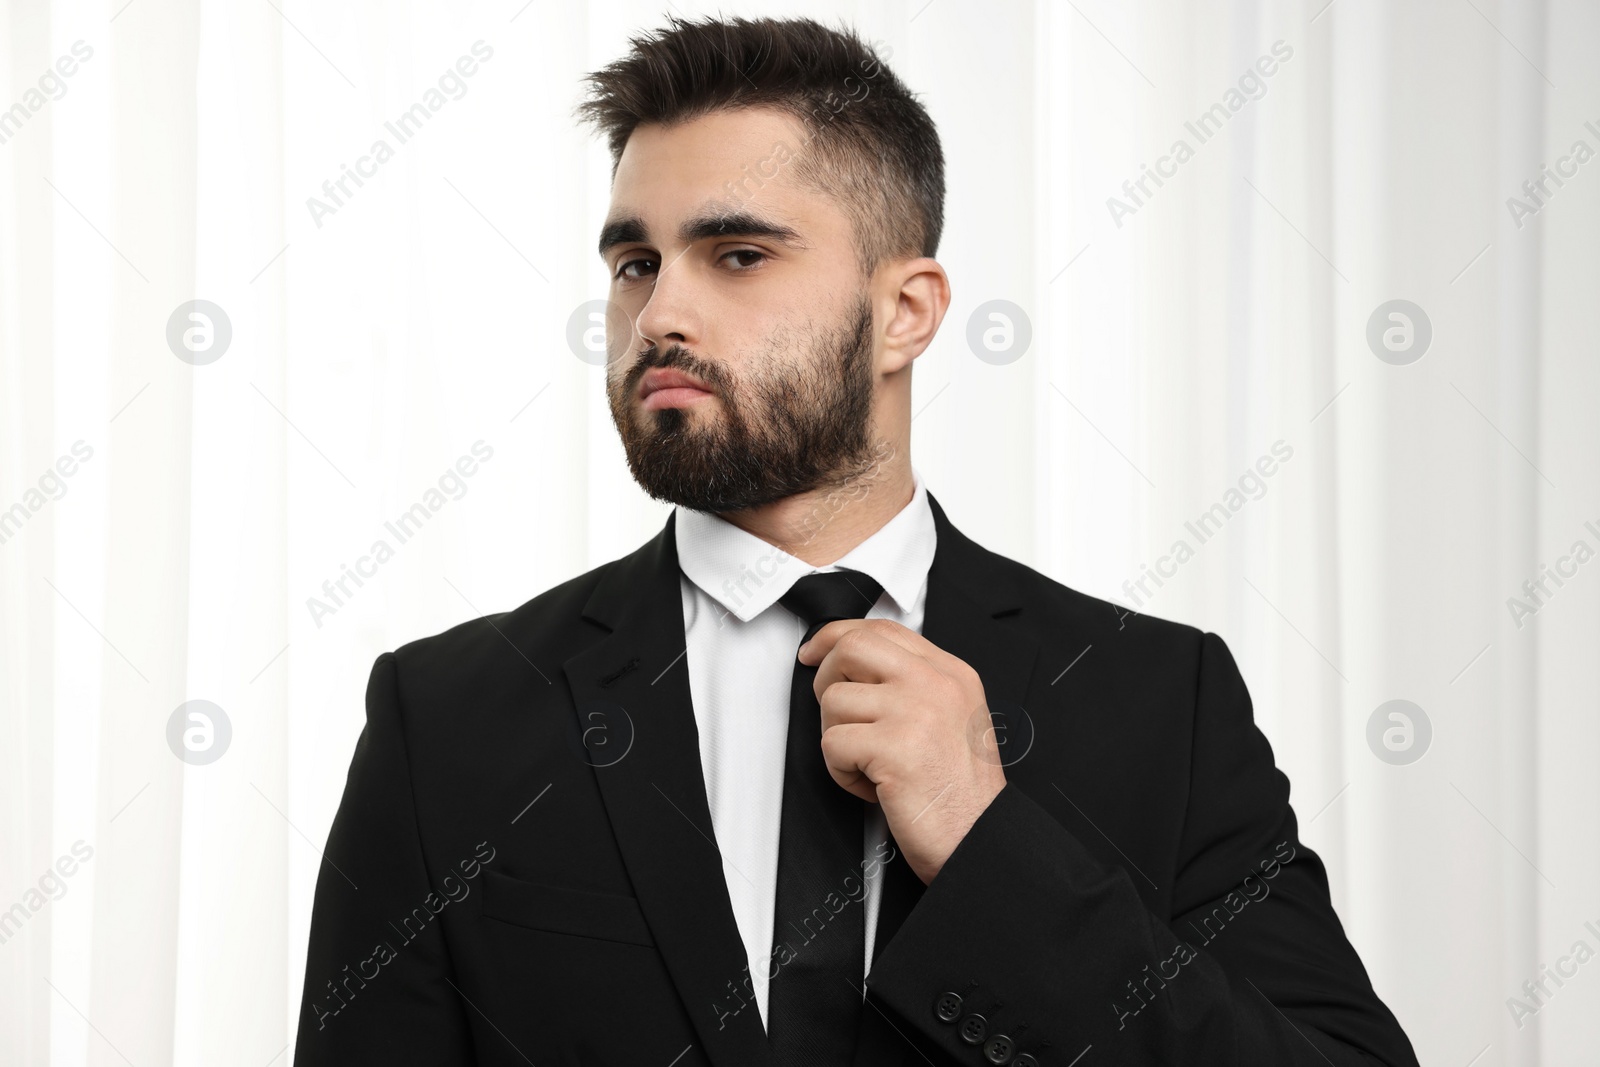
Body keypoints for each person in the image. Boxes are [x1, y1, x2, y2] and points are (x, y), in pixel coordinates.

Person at [293, 14, 1419, 1066]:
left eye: (736, 254)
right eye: (635, 263)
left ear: (907, 312)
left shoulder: (1157, 700)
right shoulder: (445, 720)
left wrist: (990, 847)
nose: (660, 314)